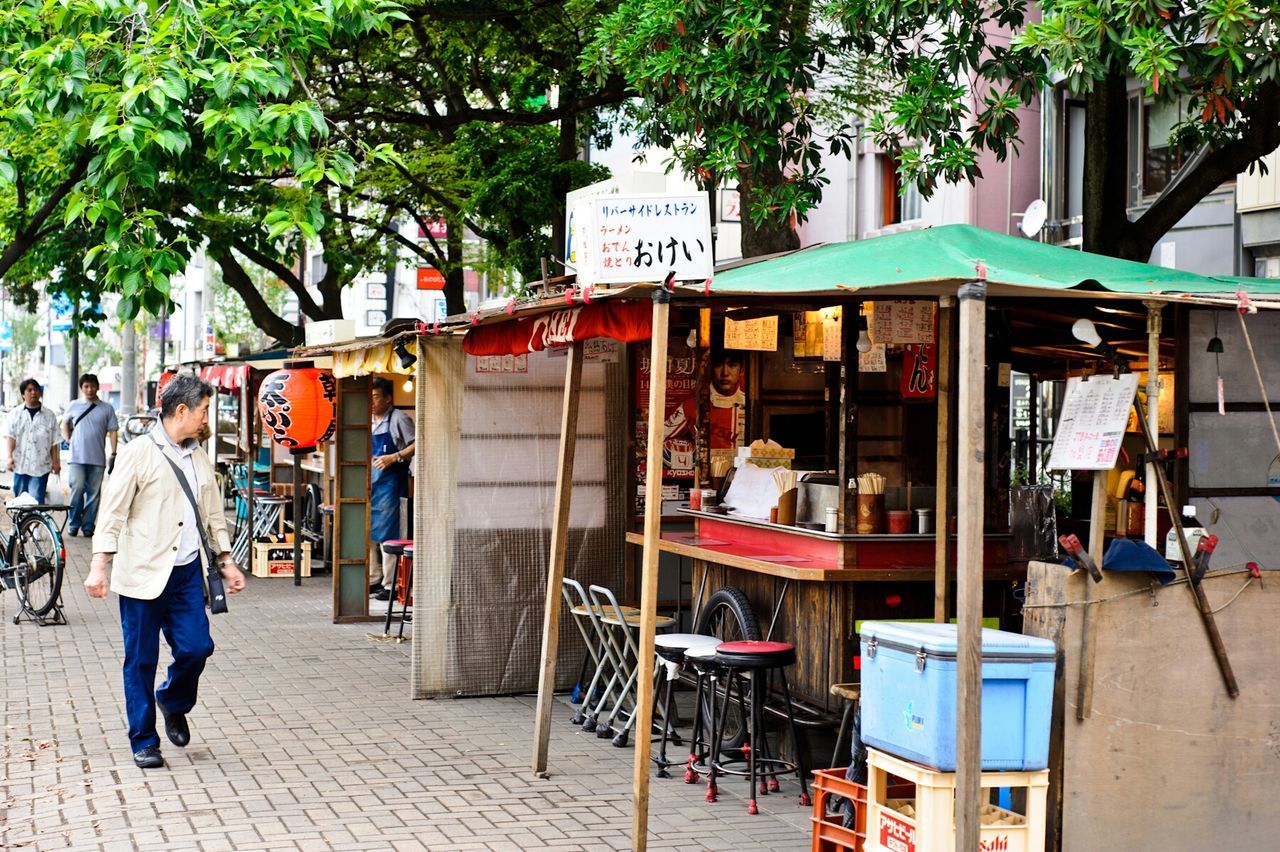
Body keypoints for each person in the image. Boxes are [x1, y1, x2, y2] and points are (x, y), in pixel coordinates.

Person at [84, 373, 245, 770]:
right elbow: (113, 510)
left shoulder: (199, 454)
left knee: (197, 647)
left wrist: (225, 560)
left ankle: (172, 701)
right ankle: (144, 740)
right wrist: (99, 565)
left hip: (186, 572)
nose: (207, 418)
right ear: (181, 410)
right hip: (142, 574)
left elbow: (210, 512)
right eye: (204, 410)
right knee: (140, 659)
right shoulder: (139, 452)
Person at [368, 377, 415, 602]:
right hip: (372, 484)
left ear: (388, 398)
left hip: (391, 483)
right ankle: (374, 578)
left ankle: (390, 584)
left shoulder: (399, 419)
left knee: (388, 534)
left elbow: (418, 443)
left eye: (376, 397)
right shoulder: (369, 421)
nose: (372, 402)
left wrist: (394, 457)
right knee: (368, 533)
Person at [61, 373, 119, 536]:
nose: (89, 389)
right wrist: (67, 437)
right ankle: (73, 523)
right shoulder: (74, 405)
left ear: (98, 387)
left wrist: (114, 453)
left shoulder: (106, 408)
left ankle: (88, 525)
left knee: (94, 494)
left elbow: (113, 431)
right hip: (76, 458)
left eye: (92, 386)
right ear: (81, 388)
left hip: (97, 459)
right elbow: (65, 422)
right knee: (77, 489)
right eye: (86, 386)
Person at [663, 347, 746, 450]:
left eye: (732, 365)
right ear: (709, 368)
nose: (725, 372)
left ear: (741, 369)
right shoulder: (690, 406)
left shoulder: (749, 406)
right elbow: (659, 438)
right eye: (718, 365)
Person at [5, 379, 61, 504]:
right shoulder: (15, 414)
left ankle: (34, 524)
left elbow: (54, 442)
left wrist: (55, 462)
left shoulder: (49, 415)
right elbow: (11, 437)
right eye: (29, 390)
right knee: (20, 503)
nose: (33, 393)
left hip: (41, 467)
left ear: (40, 393)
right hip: (20, 465)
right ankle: (21, 524)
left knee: (36, 503)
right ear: (23, 394)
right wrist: (9, 457)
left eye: (36, 390)